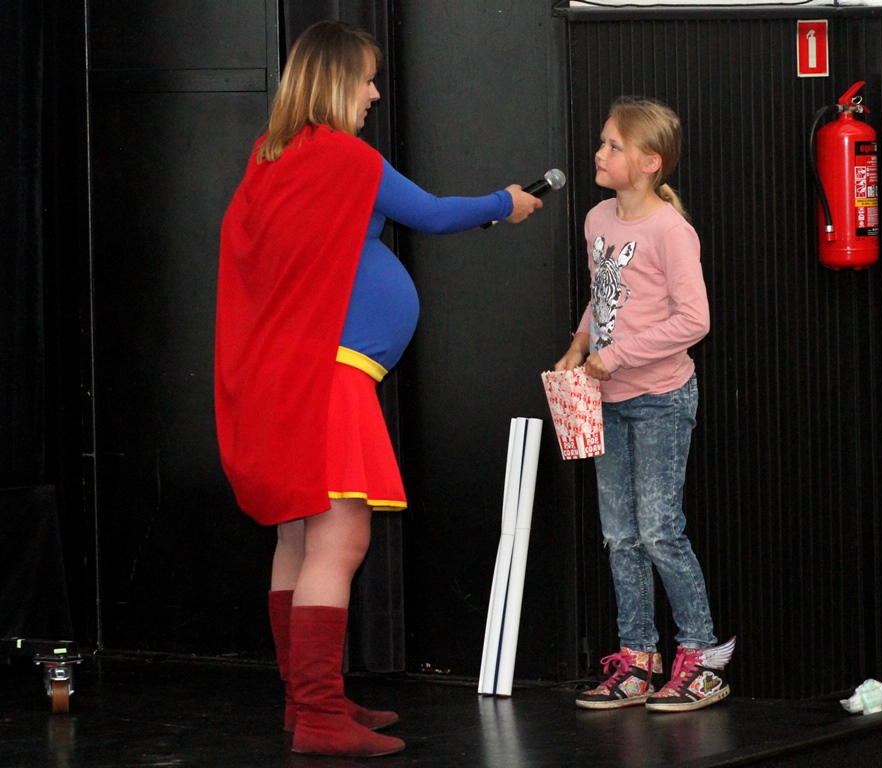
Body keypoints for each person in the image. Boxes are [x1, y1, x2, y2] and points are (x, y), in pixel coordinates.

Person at [214, 21, 541, 759]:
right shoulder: (343, 156)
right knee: (341, 538)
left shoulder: (272, 155)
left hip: (289, 376)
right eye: (365, 79)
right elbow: (431, 212)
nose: (373, 93)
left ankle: (308, 702)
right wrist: (505, 202)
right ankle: (319, 713)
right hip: (327, 379)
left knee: (298, 535)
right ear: (335, 81)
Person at [554, 96, 734, 713]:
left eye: (614, 146)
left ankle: (702, 660)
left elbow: (694, 320)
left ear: (651, 162)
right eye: (602, 142)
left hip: (660, 400)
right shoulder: (597, 218)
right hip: (605, 398)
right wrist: (579, 347)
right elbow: (603, 297)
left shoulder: (670, 231)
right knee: (620, 536)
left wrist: (619, 355)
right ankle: (637, 662)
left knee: (659, 531)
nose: (599, 153)